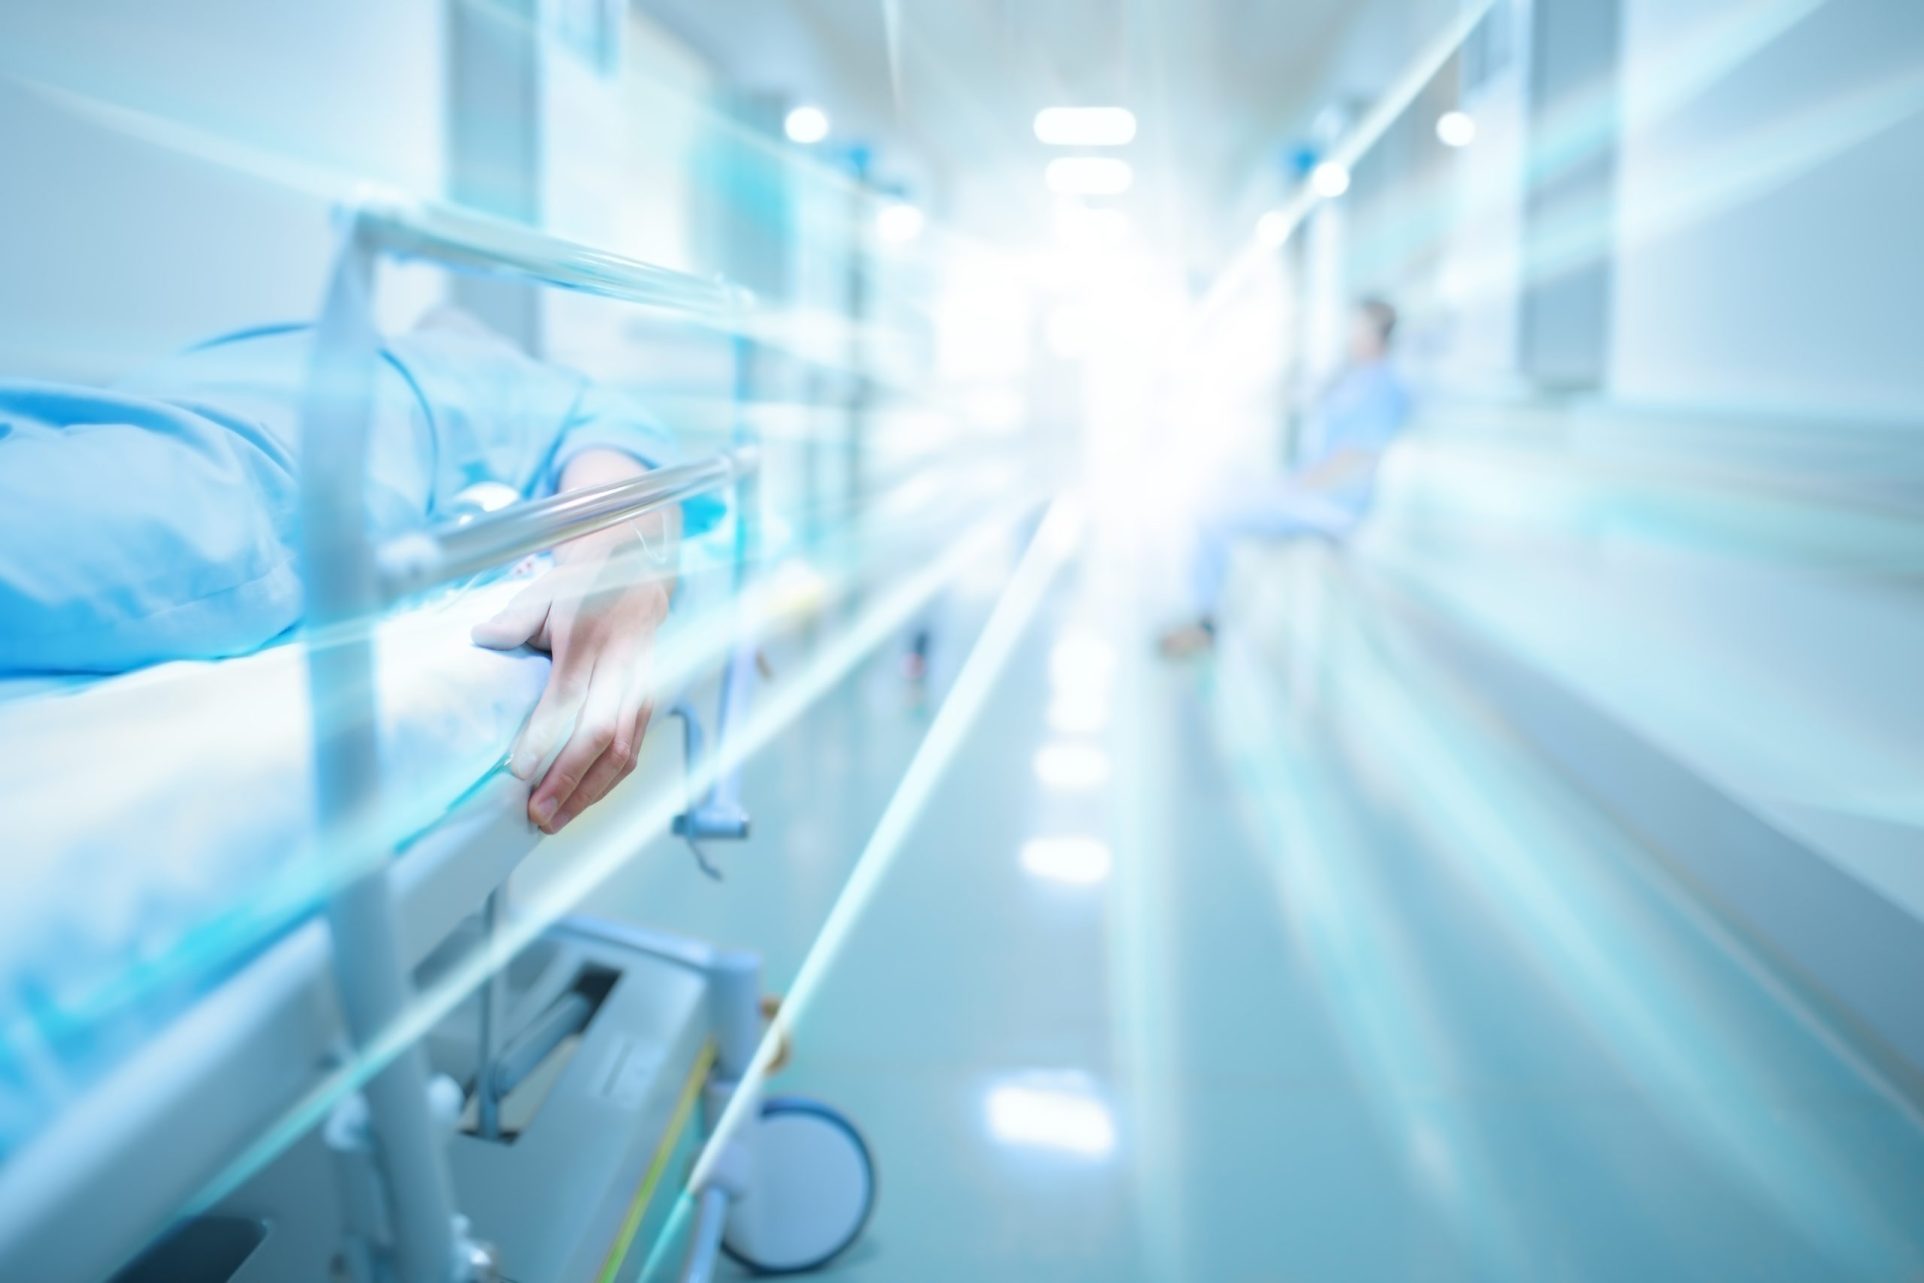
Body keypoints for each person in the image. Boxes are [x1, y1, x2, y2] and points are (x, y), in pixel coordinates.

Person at [0, 310, 722, 833]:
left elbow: (620, 484)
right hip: (201, 423)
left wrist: (624, 567)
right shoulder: (380, 361)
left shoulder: (534, 390)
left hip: (205, 433)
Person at [1157, 297, 1411, 657]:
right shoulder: (1354, 379)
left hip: (1330, 506)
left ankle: (1204, 624)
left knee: (1212, 515)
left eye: (1355, 327)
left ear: (1374, 333)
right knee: (1219, 495)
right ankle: (1203, 615)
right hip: (1309, 494)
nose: (1348, 335)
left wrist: (1294, 487)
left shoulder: (1385, 388)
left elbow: (1356, 459)